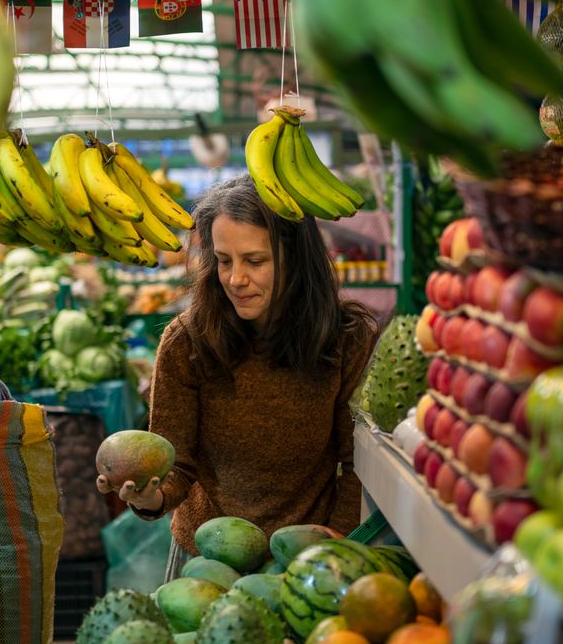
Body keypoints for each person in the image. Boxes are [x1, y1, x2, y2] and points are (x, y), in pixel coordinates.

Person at [122, 174, 378, 579]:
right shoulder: (187, 342)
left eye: (255, 261)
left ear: (296, 258)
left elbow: (357, 462)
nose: (235, 279)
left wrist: (339, 536)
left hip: (306, 557)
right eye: (224, 261)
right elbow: (176, 466)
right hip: (207, 559)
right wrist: (150, 495)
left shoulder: (347, 340)